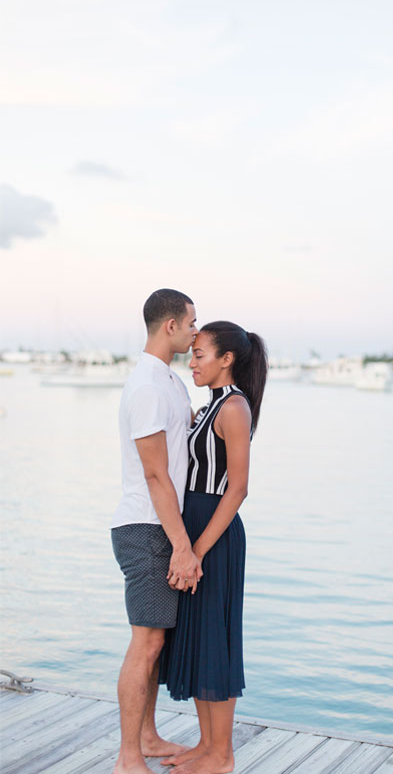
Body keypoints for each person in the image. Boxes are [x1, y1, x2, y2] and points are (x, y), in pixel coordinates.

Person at [159, 321, 267, 774]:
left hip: (215, 534)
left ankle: (222, 756)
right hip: (196, 526)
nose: (192, 361)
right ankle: (207, 746)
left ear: (227, 359)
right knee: (201, 639)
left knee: (217, 642)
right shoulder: (210, 406)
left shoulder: (234, 407)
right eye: (193, 352)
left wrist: (196, 550)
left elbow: (238, 489)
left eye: (200, 354)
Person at [111, 288, 200, 774]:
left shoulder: (170, 381)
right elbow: (155, 474)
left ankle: (147, 736)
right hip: (146, 527)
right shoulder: (146, 385)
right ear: (169, 325)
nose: (194, 330)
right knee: (145, 643)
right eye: (191, 322)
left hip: (162, 525)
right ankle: (128, 757)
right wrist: (182, 546)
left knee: (157, 642)